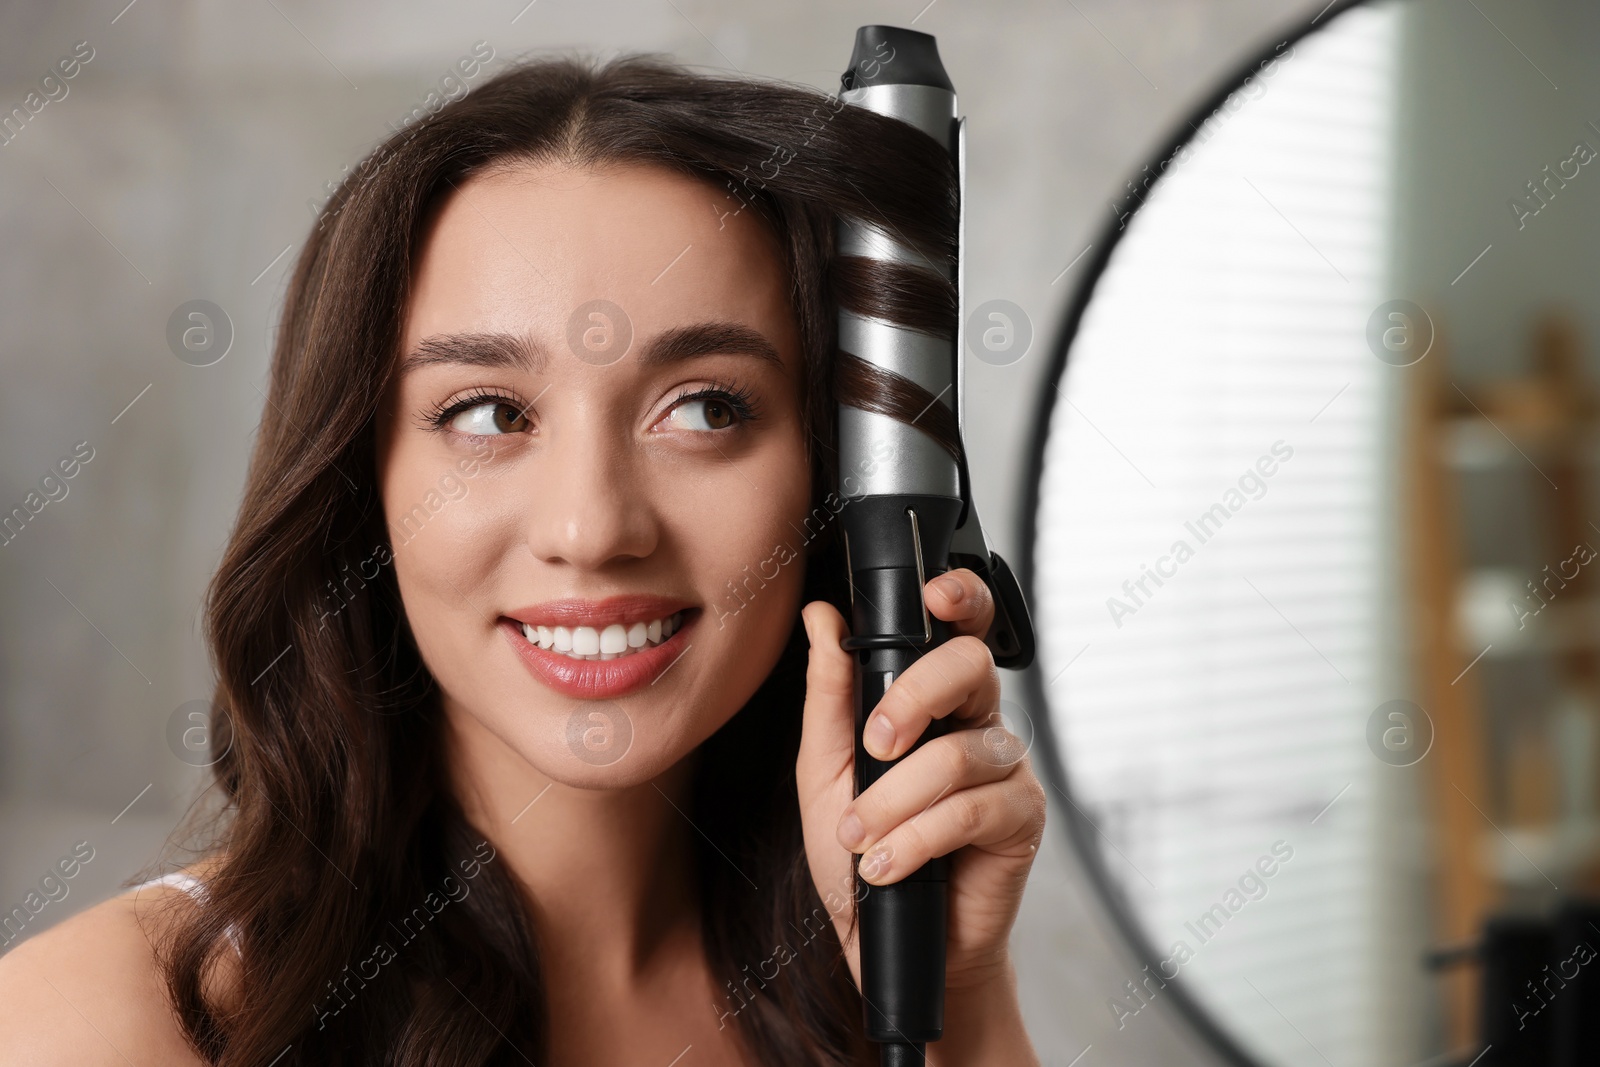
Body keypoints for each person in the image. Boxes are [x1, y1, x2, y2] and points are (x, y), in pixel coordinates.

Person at [0, 51, 1045, 1066]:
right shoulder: (95, 1029)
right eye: (490, 412)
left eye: (705, 407)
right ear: (362, 484)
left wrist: (956, 1008)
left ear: (827, 484)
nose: (591, 528)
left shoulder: (880, 992)